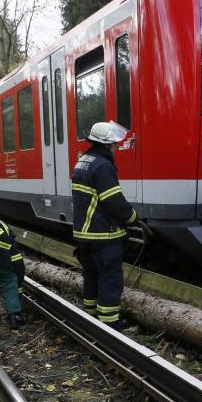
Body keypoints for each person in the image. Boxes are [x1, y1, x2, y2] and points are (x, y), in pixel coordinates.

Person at [71, 120, 150, 329]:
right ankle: (109, 323)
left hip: (83, 234)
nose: (116, 147)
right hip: (102, 234)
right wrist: (134, 219)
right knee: (110, 278)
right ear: (105, 145)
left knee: (91, 275)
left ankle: (90, 313)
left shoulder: (83, 161)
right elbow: (114, 203)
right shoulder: (103, 166)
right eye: (114, 144)